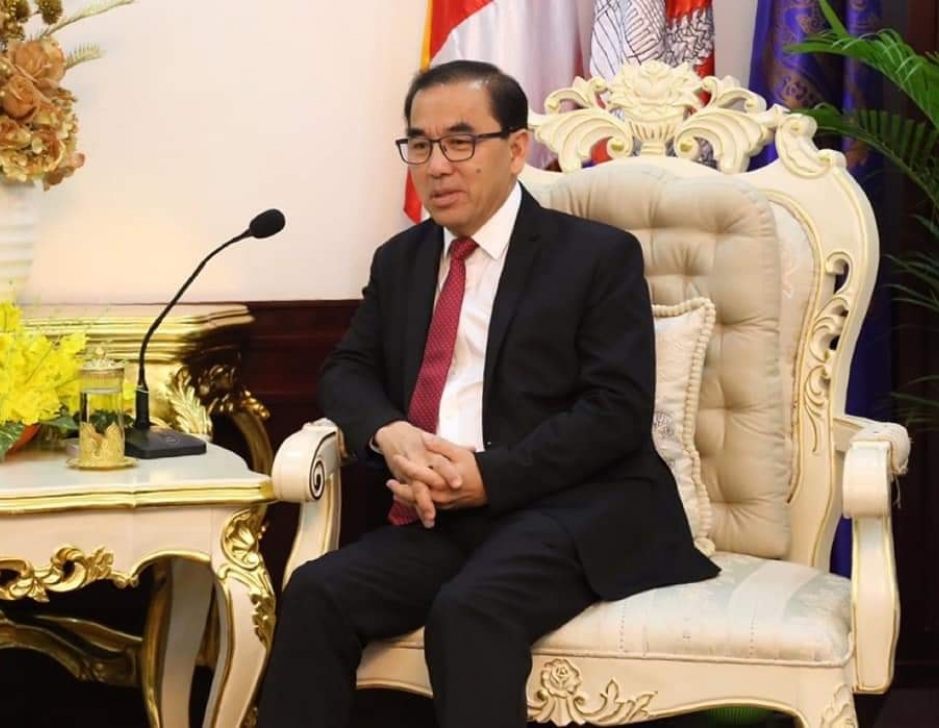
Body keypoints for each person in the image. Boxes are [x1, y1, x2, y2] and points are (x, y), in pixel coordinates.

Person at [256, 60, 719, 728]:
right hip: (444, 515)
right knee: (316, 590)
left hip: (574, 509)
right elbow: (346, 370)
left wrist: (488, 477)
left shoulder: (595, 257)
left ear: (516, 149)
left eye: (461, 141)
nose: (437, 165)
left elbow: (616, 411)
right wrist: (390, 433)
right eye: (420, 145)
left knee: (471, 610)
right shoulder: (402, 260)